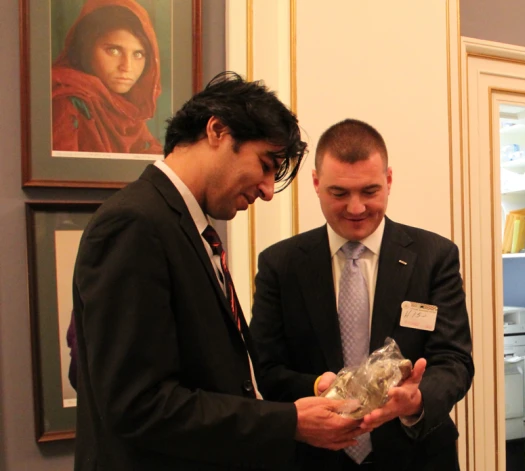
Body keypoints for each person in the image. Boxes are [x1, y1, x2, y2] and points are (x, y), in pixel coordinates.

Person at [72, 72, 363, 471]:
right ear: (217, 130)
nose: (265, 189)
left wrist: (311, 392)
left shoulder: (186, 228)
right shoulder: (135, 224)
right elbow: (137, 404)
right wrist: (290, 422)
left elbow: (223, 373)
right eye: (265, 165)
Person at [250, 118, 474, 471]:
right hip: (314, 458)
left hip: (418, 456)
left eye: (369, 191)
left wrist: (416, 401)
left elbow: (455, 361)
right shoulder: (281, 264)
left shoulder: (434, 256)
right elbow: (267, 368)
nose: (356, 208)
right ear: (316, 183)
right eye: (339, 193)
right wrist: (317, 385)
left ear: (388, 180)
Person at [52, 0, 163, 154]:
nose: (127, 67)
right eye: (113, 51)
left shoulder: (129, 115)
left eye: (138, 54)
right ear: (86, 48)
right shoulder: (65, 105)